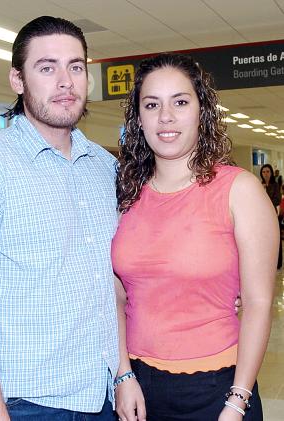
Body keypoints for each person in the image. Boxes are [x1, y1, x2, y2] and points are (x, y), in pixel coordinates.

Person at [0, 16, 119, 421]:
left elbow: (112, 285)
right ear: (18, 80)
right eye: (47, 67)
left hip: (100, 395)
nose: (65, 81)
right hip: (23, 404)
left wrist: (122, 377)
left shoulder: (104, 168)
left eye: (75, 66)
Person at [111, 53, 278, 421]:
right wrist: (122, 374)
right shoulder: (125, 195)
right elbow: (115, 298)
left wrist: (237, 400)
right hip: (138, 389)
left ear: (201, 111)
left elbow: (257, 303)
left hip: (218, 390)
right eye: (152, 104)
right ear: (139, 117)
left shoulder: (239, 190)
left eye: (180, 102)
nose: (165, 117)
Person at [260, 164, 282, 269]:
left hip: (273, 215)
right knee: (265, 239)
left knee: (275, 239)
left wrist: (265, 198)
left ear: (271, 173)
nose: (266, 174)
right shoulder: (260, 184)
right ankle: (267, 261)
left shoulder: (275, 185)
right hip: (263, 216)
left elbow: (277, 199)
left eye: (268, 171)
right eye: (264, 172)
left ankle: (278, 263)